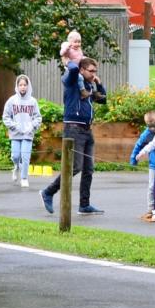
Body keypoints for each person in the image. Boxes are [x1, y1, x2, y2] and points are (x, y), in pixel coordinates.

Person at [41, 57, 107, 215]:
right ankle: (48, 192)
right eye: (91, 71)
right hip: (73, 129)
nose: (93, 74)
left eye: (95, 71)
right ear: (82, 70)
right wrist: (68, 60)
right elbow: (73, 69)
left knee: (88, 169)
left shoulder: (88, 85)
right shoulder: (72, 81)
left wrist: (98, 83)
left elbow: (103, 100)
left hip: (87, 130)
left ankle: (84, 205)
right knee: (75, 167)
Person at [1, 75, 41, 188]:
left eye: (25, 85)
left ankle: (24, 178)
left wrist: (31, 126)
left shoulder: (33, 101)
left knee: (25, 156)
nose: (23, 87)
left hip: (28, 134)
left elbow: (38, 117)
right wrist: (14, 126)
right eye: (20, 85)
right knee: (15, 156)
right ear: (17, 86)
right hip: (15, 134)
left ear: (28, 86)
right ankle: (16, 167)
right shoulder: (11, 101)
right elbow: (6, 117)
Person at [130, 111, 155, 221]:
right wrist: (133, 159)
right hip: (153, 164)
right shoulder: (146, 134)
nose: (152, 128)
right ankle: (150, 210)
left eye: (154, 125)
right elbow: (138, 145)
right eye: (149, 125)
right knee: (152, 187)